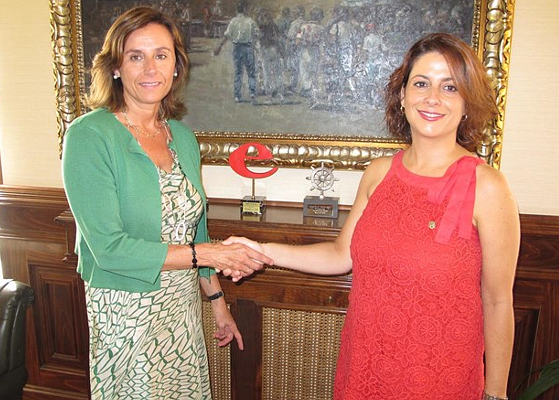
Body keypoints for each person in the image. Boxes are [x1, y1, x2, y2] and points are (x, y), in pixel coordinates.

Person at [226, 33, 519, 400]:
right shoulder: (379, 173)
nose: (433, 98)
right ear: (403, 95)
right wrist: (260, 249)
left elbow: (497, 302)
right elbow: (340, 255)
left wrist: (496, 394)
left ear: (466, 103)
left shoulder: (488, 186)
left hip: (437, 380)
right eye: (421, 83)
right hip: (365, 369)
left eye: (450, 87)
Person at [61, 7, 272, 400]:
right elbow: (109, 249)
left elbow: (196, 231)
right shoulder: (89, 136)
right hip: (126, 311)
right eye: (135, 56)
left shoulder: (182, 137)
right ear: (116, 67)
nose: (150, 69)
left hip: (181, 307)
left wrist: (218, 304)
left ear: (176, 66)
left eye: (161, 55)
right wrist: (207, 254)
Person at [213, 1, 259, 104]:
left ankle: (237, 95)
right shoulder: (250, 21)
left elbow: (227, 35)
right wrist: (254, 43)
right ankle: (252, 93)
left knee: (238, 72)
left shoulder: (233, 21)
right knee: (251, 72)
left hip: (237, 47)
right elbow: (257, 34)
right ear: (245, 9)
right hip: (248, 47)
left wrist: (219, 46)